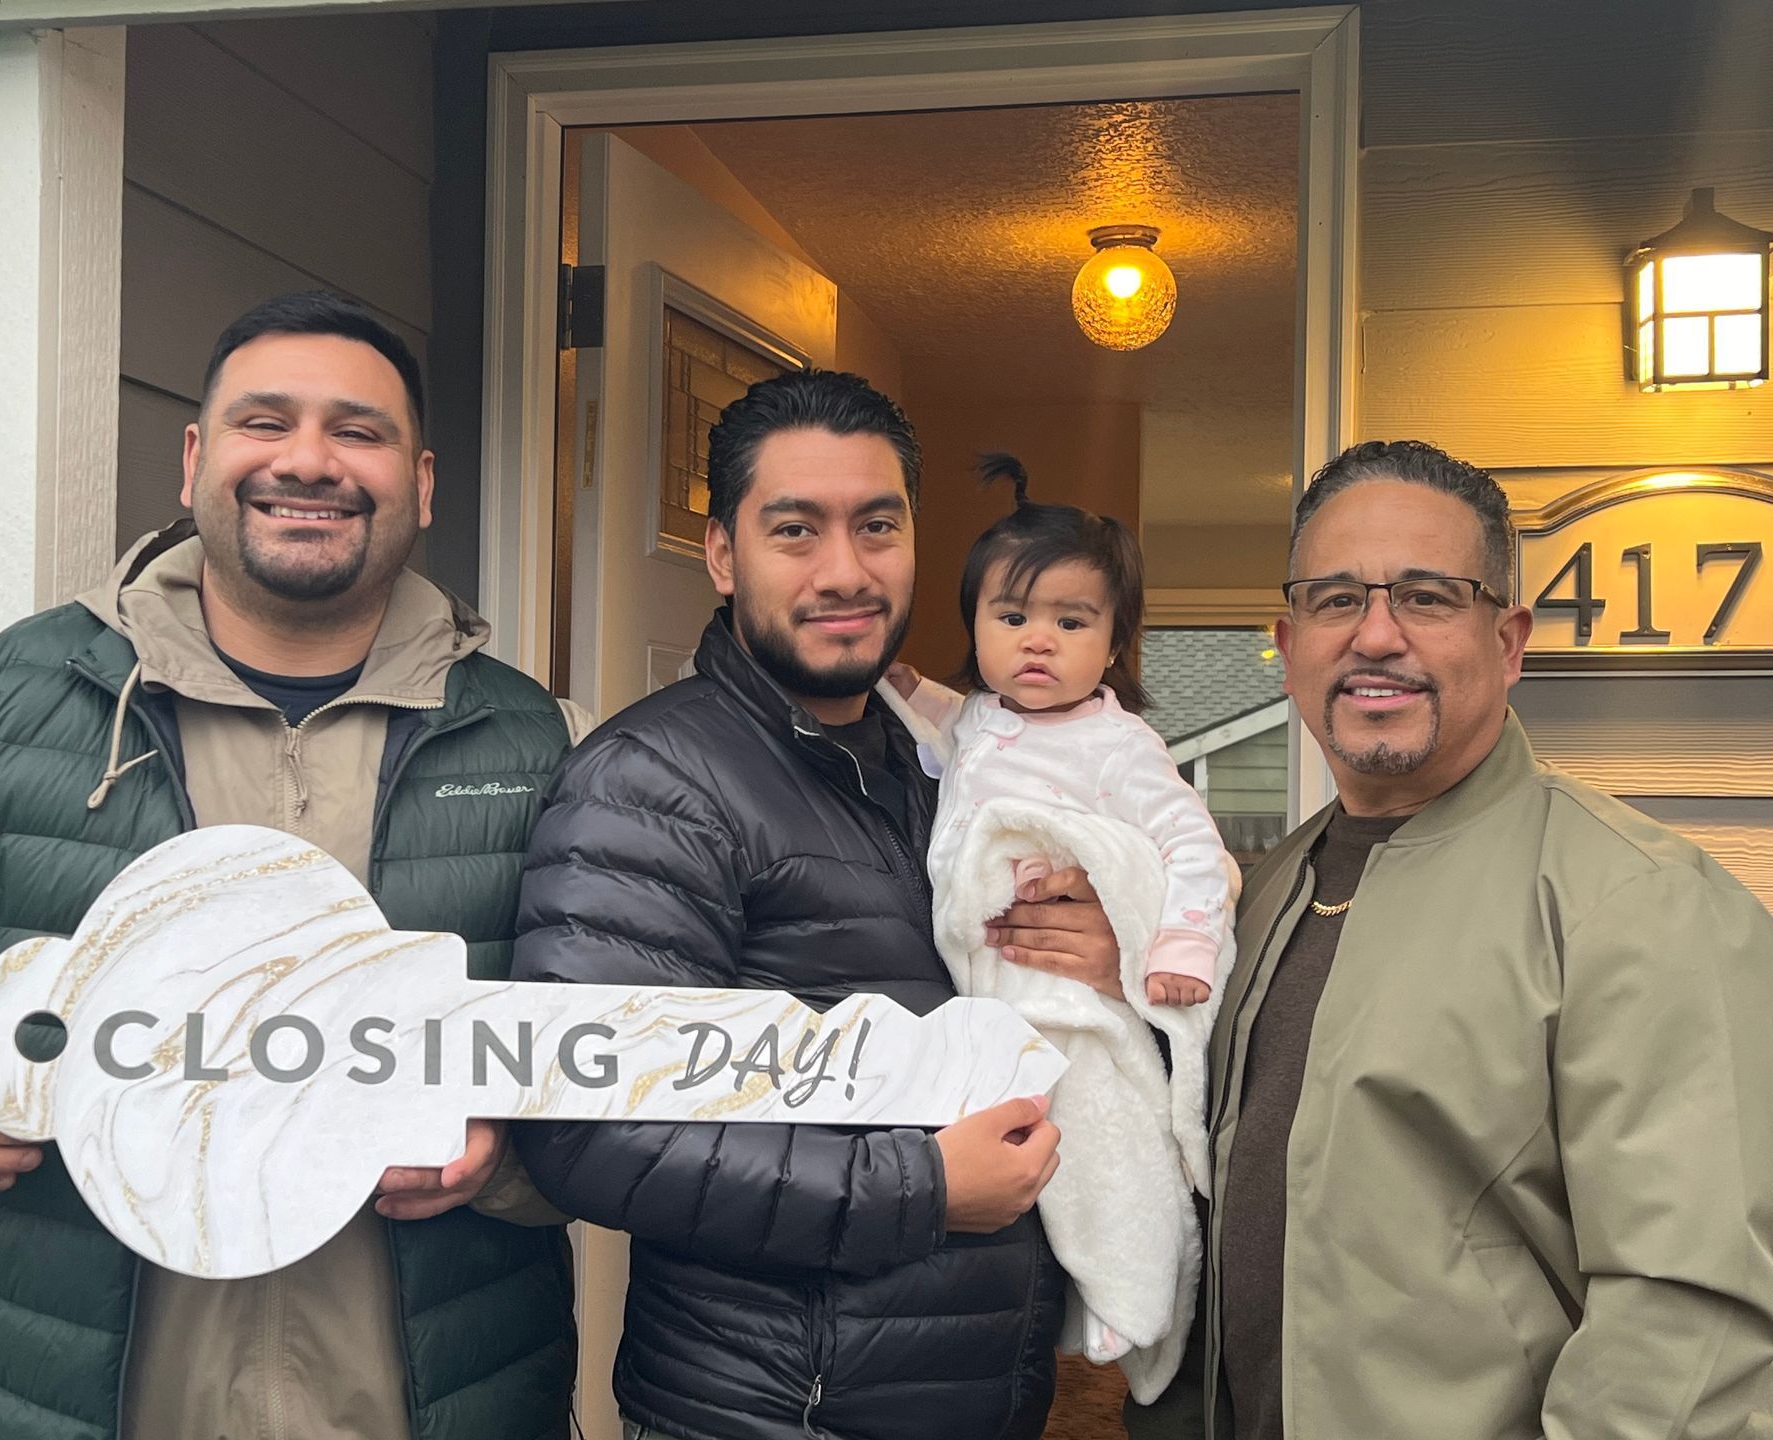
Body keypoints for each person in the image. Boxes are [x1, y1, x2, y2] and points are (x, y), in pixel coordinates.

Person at [0, 292, 577, 1440]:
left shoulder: (547, 749)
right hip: (65, 1406)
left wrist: (511, 1152)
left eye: (359, 430)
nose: (308, 460)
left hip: (424, 1404)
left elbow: (626, 1050)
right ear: (195, 457)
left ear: (422, 482)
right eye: (264, 421)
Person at [511, 370, 1131, 1440]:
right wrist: (922, 1187)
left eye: (877, 526)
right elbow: (590, 1129)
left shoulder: (950, 767)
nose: (845, 571)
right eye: (795, 529)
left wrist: (1103, 954)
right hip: (777, 1413)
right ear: (722, 552)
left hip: (975, 1395)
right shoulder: (655, 785)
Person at [1125, 439, 1773, 1439]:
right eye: (1337, 600)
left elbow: (1692, 1333)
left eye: (1426, 597)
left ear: (1509, 642)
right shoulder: (1259, 897)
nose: (1376, 635)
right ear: (1288, 644)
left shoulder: (1643, 904)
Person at [881, 453, 1234, 1397]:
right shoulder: (982, 722)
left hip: (1070, 996)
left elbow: (1191, 848)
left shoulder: (1119, 745)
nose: (1039, 643)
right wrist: (902, 689)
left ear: (1113, 641)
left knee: (1100, 1140)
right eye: (1012, 619)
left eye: (1070, 622)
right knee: (1006, 1158)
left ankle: (1134, 1281)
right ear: (979, 628)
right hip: (984, 984)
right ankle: (1088, 1288)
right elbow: (947, 735)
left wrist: (1180, 943)